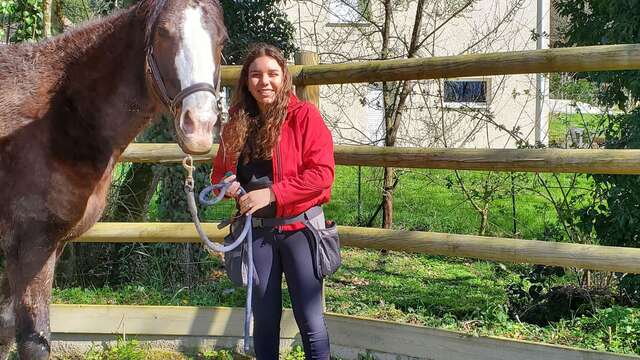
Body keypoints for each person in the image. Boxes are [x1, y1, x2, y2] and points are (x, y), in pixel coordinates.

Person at [210, 43, 335, 359]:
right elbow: (219, 175)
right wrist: (234, 190)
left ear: (284, 78)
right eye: (255, 75)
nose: (263, 81)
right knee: (263, 319)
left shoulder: (304, 117)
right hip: (257, 233)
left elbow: (321, 174)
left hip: (300, 230)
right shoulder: (236, 121)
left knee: (309, 319)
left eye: (272, 74)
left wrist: (272, 193)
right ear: (246, 81)